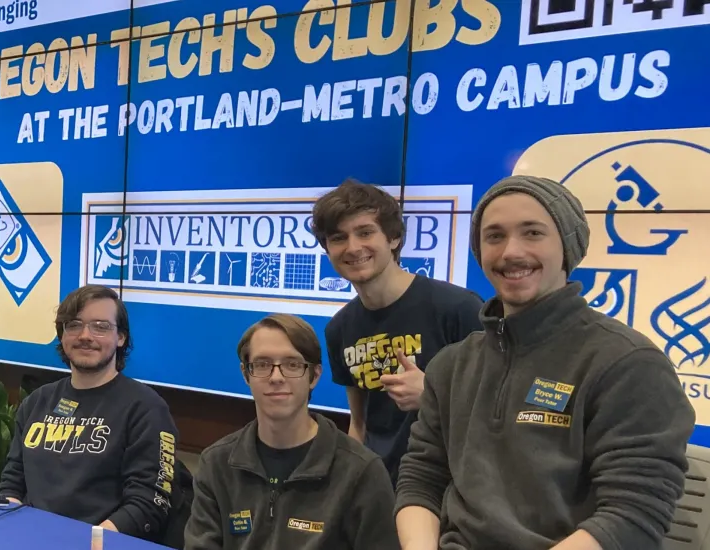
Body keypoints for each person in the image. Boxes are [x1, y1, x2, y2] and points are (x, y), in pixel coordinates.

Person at [395, 175, 695, 549]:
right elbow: (422, 478)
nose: (511, 252)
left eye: (533, 233)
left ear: (568, 247)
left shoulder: (629, 363)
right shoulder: (453, 364)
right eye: (494, 236)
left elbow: (633, 513)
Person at [311, 179, 483, 484]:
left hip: (450, 493)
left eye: (365, 232)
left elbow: (500, 409)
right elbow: (360, 424)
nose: (353, 248)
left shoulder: (458, 308)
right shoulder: (339, 328)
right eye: (338, 238)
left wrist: (433, 393)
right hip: (381, 491)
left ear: (393, 238)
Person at [185, 313, 400, 549]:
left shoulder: (361, 472)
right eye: (263, 364)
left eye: (292, 364)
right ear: (246, 374)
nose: (276, 377)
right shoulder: (216, 464)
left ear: (314, 376)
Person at [0, 284, 179, 542]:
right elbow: (12, 481)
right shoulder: (37, 402)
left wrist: (87, 541)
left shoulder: (146, 408)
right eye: (74, 325)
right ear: (62, 335)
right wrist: (11, 531)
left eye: (101, 326)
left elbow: (150, 503)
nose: (86, 335)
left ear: (121, 338)